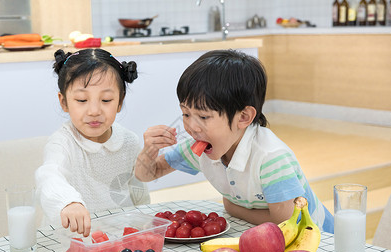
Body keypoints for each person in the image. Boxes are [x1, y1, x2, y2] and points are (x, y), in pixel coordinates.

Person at [135, 49, 334, 233]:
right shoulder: (199, 147)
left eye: (204, 117)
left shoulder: (270, 158)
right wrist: (148, 152)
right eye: (186, 114)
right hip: (266, 234)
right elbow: (148, 174)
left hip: (320, 239)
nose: (191, 127)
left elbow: (287, 224)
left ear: (243, 117)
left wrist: (233, 208)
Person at [36, 48, 150, 237]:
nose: (94, 110)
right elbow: (49, 175)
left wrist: (143, 221)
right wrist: (68, 202)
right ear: (64, 102)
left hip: (117, 239)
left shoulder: (130, 141)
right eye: (82, 100)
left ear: (120, 102)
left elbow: (139, 194)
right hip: (70, 241)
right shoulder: (62, 142)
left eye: (106, 100)